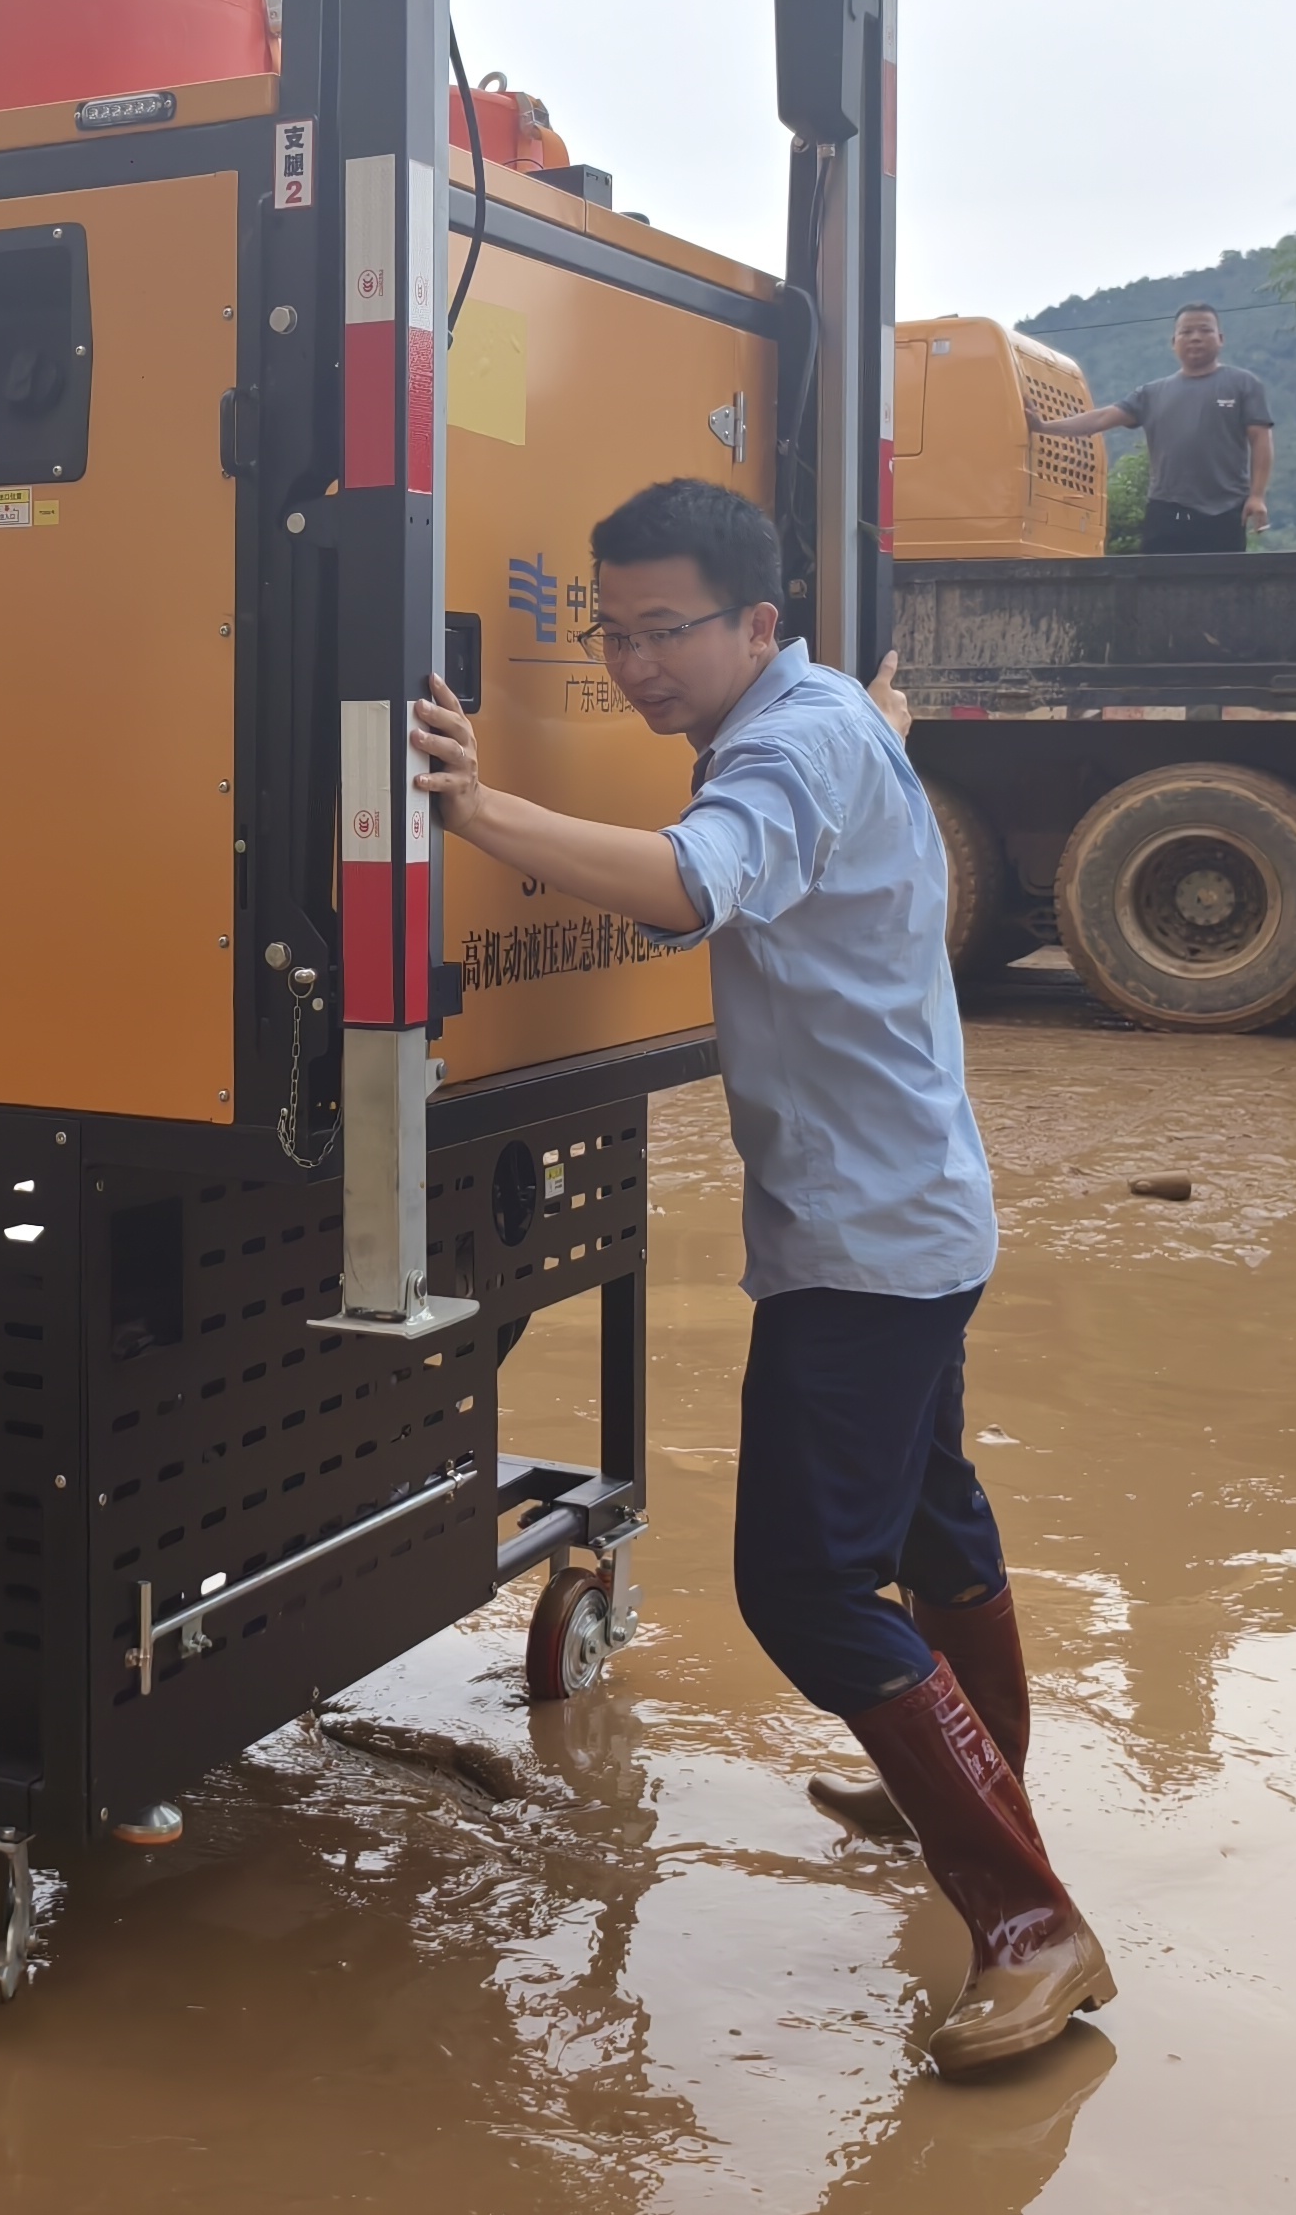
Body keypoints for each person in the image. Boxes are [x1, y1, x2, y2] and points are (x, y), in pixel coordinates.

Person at [406, 476, 1114, 2075]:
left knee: (802, 1588)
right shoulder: (820, 718)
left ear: (758, 627)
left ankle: (1029, 1922)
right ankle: (975, 1775)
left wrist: (469, 808)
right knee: (934, 1519)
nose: (639, 665)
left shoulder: (790, 743)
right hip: (918, 1215)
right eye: (615, 631)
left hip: (864, 1246)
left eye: (668, 631)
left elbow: (691, 883)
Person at [1029, 302, 1272, 552]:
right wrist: (1043, 426)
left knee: (1221, 587)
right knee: (1159, 587)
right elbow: (1101, 418)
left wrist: (1257, 496)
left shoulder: (1244, 384)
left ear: (1220, 339)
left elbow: (1261, 439)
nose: (1196, 338)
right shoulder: (1151, 393)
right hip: (1168, 512)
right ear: (1173, 342)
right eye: (1186, 332)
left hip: (1224, 510)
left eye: (1204, 330)